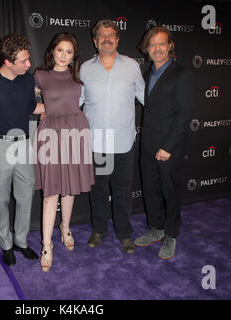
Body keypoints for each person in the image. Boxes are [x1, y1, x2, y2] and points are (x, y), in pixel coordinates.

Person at [0, 34, 44, 266]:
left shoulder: (27, 81)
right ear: (7, 62)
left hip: (24, 144)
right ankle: (5, 244)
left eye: (28, 59)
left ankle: (21, 241)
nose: (29, 65)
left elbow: (30, 107)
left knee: (26, 196)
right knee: (1, 199)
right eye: (24, 61)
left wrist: (59, 107)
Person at [80, 19, 145, 254]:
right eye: (102, 35)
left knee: (122, 190)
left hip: (123, 141)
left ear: (117, 40)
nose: (106, 39)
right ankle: (99, 230)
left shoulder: (131, 66)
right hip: (96, 142)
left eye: (111, 35)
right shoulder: (85, 68)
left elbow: (145, 97)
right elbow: (74, 102)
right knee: (98, 191)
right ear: (95, 41)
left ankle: (125, 234)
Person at [34, 32, 94, 272]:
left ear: (73, 56)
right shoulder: (40, 74)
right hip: (50, 134)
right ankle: (46, 244)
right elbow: (25, 101)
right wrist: (45, 108)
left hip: (76, 132)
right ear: (52, 51)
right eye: (60, 50)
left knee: (70, 187)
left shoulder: (78, 76)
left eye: (69, 52)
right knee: (51, 192)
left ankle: (65, 228)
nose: (64, 56)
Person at [134, 26, 193, 260]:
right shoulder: (146, 74)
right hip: (147, 144)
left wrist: (168, 147)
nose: (157, 49)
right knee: (150, 189)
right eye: (152, 44)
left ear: (170, 46)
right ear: (146, 49)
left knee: (170, 192)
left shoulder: (182, 74)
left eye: (162, 44)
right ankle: (156, 228)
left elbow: (183, 116)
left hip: (169, 147)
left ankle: (171, 234)